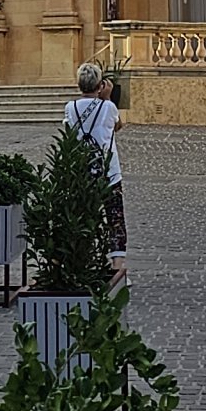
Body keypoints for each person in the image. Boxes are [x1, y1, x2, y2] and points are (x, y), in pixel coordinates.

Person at [63, 62, 126, 263]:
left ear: (79, 84)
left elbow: (69, 132)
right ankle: (117, 266)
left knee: (82, 215)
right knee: (115, 218)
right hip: (109, 171)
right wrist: (106, 98)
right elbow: (117, 126)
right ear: (100, 85)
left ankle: (83, 260)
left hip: (82, 170)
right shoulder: (108, 107)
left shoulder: (70, 107)